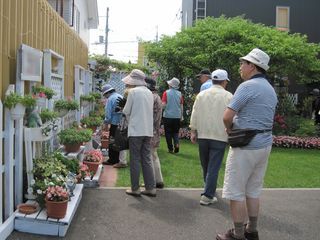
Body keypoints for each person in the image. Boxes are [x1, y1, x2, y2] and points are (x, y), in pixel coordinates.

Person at [216, 48, 278, 240]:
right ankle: (252, 229)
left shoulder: (247, 87)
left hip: (246, 146)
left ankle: (238, 234)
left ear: (252, 66)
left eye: (243, 63)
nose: (240, 67)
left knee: (235, 191)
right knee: (253, 190)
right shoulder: (270, 89)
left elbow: (227, 116)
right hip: (264, 144)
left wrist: (229, 129)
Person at [189, 69, 233, 205]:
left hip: (203, 134)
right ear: (224, 81)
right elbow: (232, 116)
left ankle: (208, 190)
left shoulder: (201, 95)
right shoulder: (229, 96)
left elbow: (194, 114)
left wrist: (193, 131)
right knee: (213, 166)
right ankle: (208, 194)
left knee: (206, 165)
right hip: (220, 135)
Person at [122, 69, 156, 197]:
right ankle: (150, 188)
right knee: (146, 158)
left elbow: (126, 111)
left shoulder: (133, 92)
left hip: (136, 130)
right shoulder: (149, 93)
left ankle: (135, 188)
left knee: (135, 159)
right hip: (147, 130)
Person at [145, 77, 164, 189]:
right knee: (153, 156)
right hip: (155, 130)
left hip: (150, 130)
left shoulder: (150, 97)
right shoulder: (157, 97)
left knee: (149, 156)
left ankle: (152, 181)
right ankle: (158, 180)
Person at [102, 84, 124, 166]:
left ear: (107, 93)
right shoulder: (120, 96)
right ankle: (118, 158)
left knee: (112, 141)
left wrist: (106, 123)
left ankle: (112, 160)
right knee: (118, 141)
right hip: (122, 122)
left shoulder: (110, 99)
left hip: (114, 123)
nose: (105, 97)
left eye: (104, 95)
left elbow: (108, 113)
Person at [162, 77, 184, 153]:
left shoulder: (166, 93)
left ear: (170, 85)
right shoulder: (180, 94)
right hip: (177, 117)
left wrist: (161, 108)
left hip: (167, 116)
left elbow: (164, 105)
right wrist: (181, 116)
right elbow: (181, 106)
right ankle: (177, 144)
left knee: (168, 133)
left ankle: (170, 149)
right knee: (175, 132)